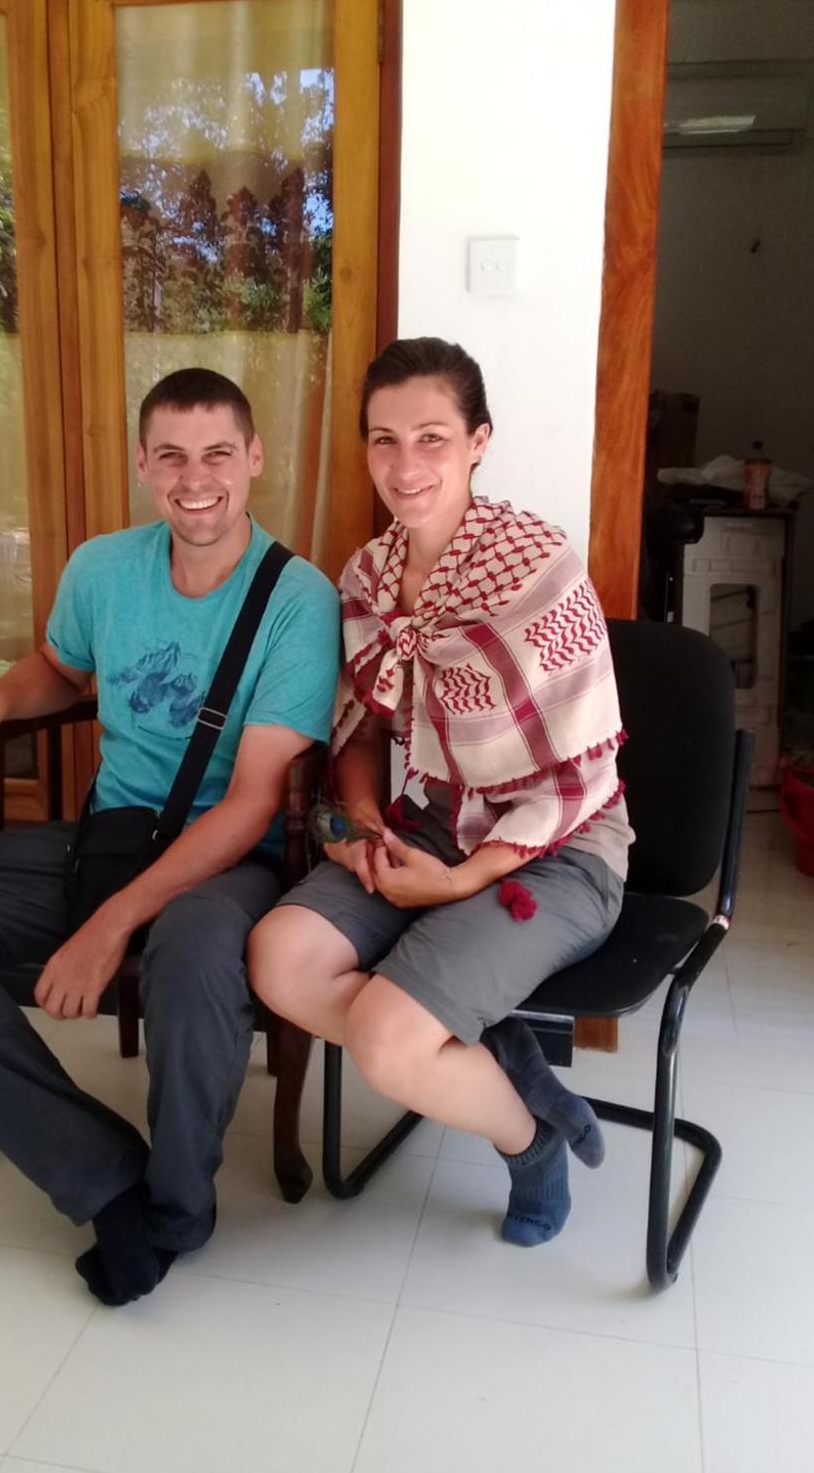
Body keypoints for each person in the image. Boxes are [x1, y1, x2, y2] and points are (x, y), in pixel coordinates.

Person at [0, 368, 340, 1304]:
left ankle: (176, 1212)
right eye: (172, 456)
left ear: (255, 459)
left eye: (218, 454)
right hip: (110, 835)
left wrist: (109, 925)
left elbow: (250, 805)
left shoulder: (297, 599)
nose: (196, 479)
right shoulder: (103, 568)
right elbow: (57, 667)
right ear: (143, 465)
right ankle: (105, 1176)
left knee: (194, 947)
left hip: (231, 858)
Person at [248, 338, 632, 1247]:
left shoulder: (538, 566)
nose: (405, 464)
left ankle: (528, 1139)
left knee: (385, 1041)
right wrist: (363, 823)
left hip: (561, 847)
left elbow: (581, 779)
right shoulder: (367, 579)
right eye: (384, 440)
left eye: (432, 437)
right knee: (279, 958)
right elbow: (360, 730)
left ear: (477, 442)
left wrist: (459, 882)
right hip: (433, 825)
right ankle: (507, 1056)